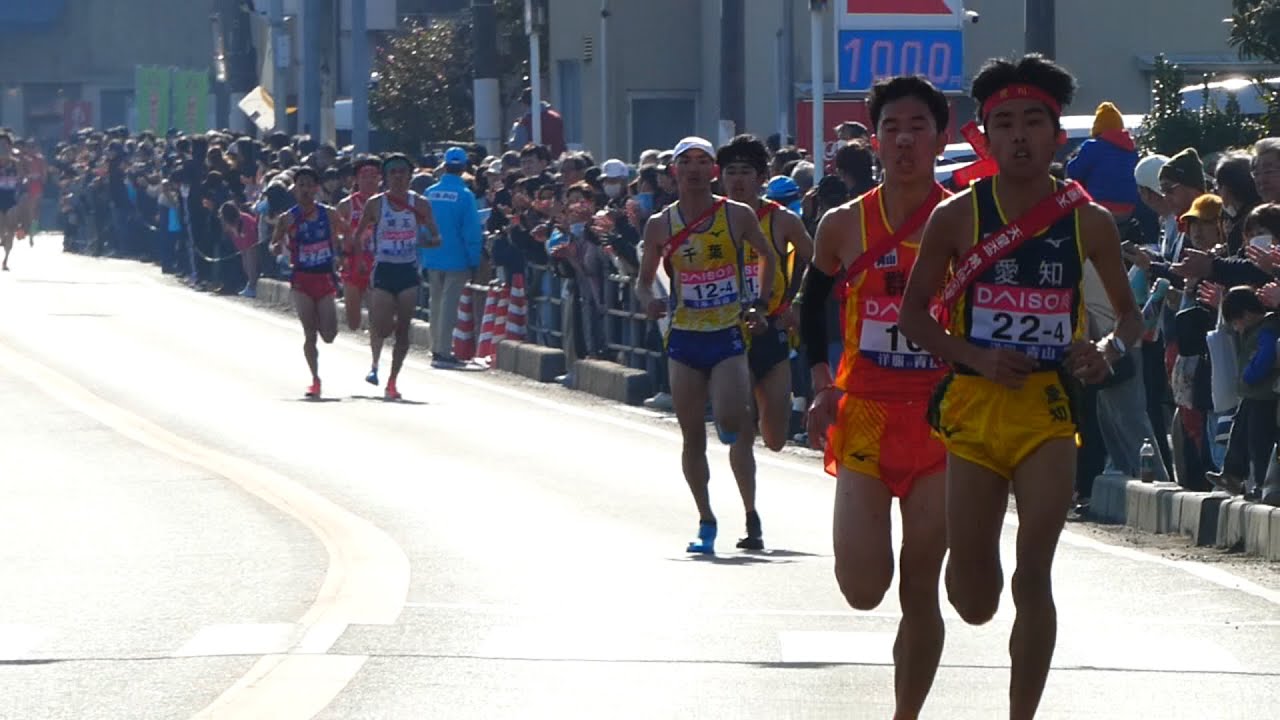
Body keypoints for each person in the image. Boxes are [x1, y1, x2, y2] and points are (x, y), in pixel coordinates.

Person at [897, 54, 1142, 720]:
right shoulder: (956, 216)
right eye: (1004, 124)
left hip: (1046, 409)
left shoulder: (1087, 220)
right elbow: (914, 316)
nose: (1021, 136)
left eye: (1034, 121)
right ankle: (975, 573)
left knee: (1035, 573)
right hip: (975, 411)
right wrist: (971, 354)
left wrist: (1104, 352)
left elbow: (1129, 317)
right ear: (985, 136)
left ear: (1057, 135)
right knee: (974, 599)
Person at [800, 75, 953, 719]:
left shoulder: (969, 218)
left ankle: (906, 714)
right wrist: (817, 385)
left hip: (943, 418)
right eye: (891, 127)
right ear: (875, 138)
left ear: (940, 137)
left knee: (921, 587)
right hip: (863, 411)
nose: (904, 140)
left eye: (918, 126)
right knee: (863, 588)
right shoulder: (842, 224)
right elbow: (813, 305)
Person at [634, 137, 777, 555]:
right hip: (683, 337)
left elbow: (767, 256)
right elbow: (643, 281)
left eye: (702, 162)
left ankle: (750, 511)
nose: (694, 169)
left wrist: (760, 304)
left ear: (712, 170)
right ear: (673, 172)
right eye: (686, 162)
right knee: (692, 435)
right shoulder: (660, 224)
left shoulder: (735, 215)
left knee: (734, 423)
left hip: (727, 334)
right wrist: (649, 302)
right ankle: (706, 519)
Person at [715, 134, 814, 549]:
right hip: (728, 336)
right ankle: (751, 518)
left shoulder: (781, 220)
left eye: (746, 173)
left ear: (762, 177)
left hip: (771, 331)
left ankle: (764, 414)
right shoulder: (711, 219)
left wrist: (797, 304)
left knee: (774, 437)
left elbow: (816, 263)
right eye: (731, 173)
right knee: (740, 431)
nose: (737, 181)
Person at [352, 153, 442, 401]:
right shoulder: (375, 203)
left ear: (410, 176)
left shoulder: (420, 203)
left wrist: (425, 241)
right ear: (386, 177)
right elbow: (358, 236)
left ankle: (392, 380)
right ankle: (377, 359)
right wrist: (359, 262)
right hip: (383, 270)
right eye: (393, 172)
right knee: (382, 326)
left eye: (403, 171)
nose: (399, 177)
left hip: (407, 271)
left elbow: (437, 237)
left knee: (403, 331)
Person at [270, 167, 345, 398]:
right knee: (309, 332)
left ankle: (317, 371)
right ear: (295, 189)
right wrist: (275, 248)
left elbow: (347, 235)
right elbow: (273, 244)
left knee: (329, 335)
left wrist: (342, 250)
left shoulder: (329, 214)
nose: (304, 190)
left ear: (316, 188)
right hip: (301, 278)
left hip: (324, 277)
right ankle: (315, 379)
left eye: (309, 185)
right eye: (300, 185)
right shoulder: (287, 218)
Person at [423, 147, 484, 369]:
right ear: (464, 168)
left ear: (445, 166)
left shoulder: (430, 192)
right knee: (450, 305)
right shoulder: (465, 196)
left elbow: (422, 225)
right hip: (457, 257)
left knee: (435, 302)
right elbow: (472, 232)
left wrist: (423, 253)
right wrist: (474, 259)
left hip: (432, 255)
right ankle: (444, 350)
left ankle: (436, 347)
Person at [337, 155, 385, 384]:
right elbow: (335, 233)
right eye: (364, 176)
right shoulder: (346, 205)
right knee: (354, 322)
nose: (369, 181)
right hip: (353, 266)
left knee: (377, 317)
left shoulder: (387, 203)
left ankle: (374, 366)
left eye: (373, 176)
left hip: (378, 265)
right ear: (356, 179)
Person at [0, 133, 22, 270]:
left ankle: (5, 259)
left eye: (5, 144)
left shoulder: (16, 163)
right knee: (1, 228)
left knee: (11, 229)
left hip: (11, 197)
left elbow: (20, 179)